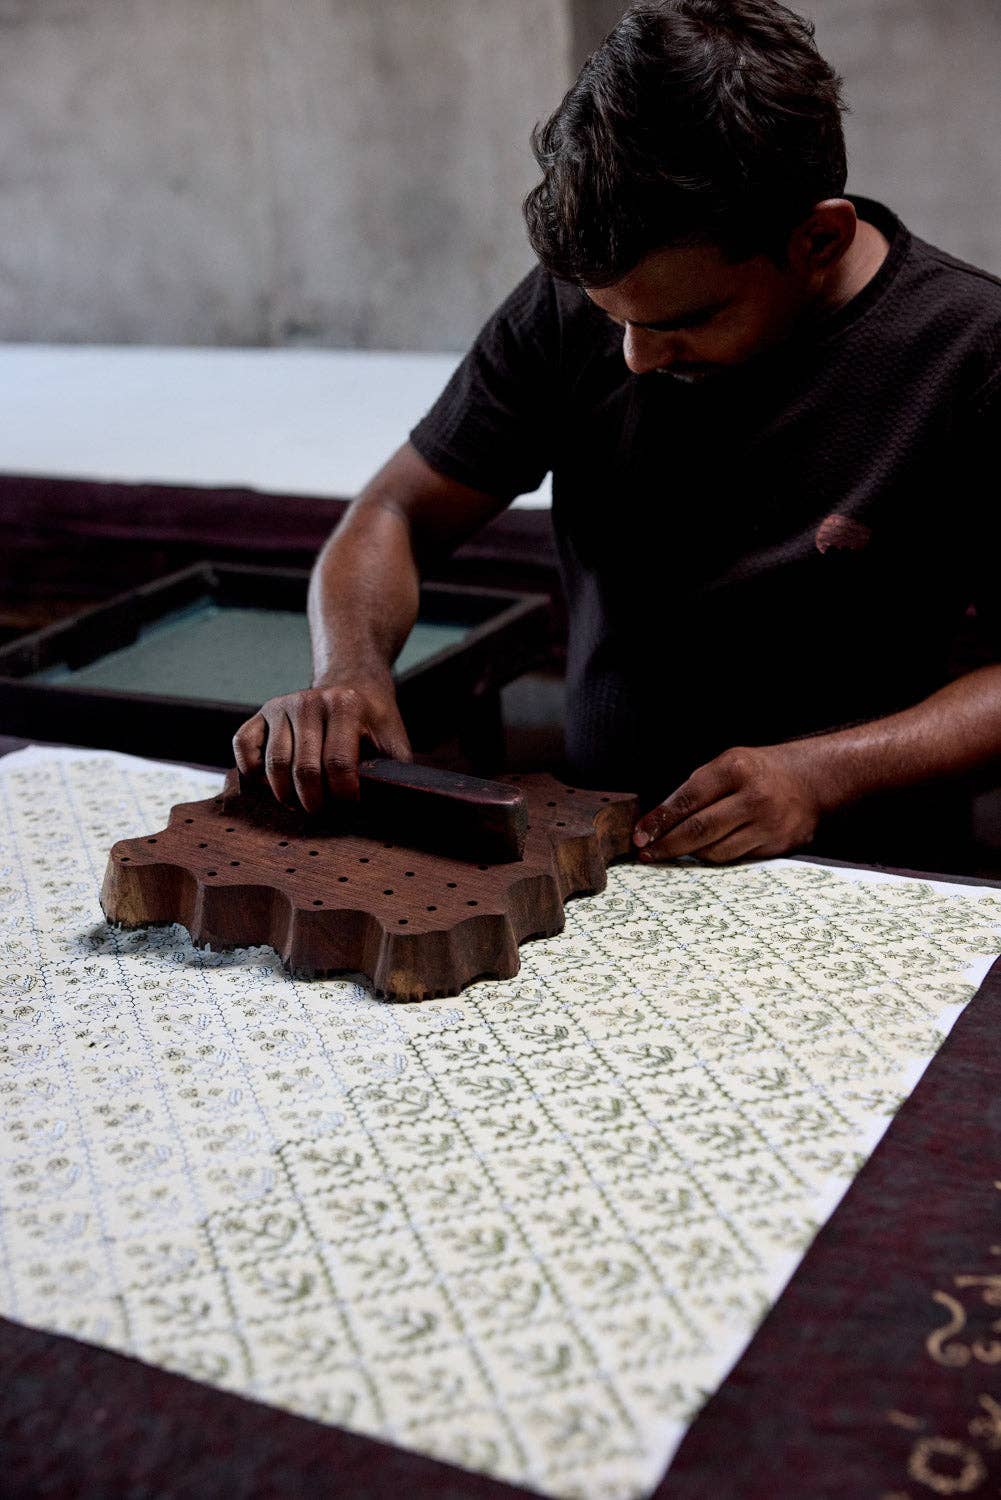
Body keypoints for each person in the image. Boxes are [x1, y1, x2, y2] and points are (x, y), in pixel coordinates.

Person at [234, 0, 1001, 872]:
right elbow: (396, 511)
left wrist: (822, 774)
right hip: (609, 863)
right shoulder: (579, 305)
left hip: (871, 874)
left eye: (686, 320)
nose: (634, 356)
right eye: (612, 319)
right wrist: (351, 670)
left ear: (815, 239)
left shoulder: (972, 350)